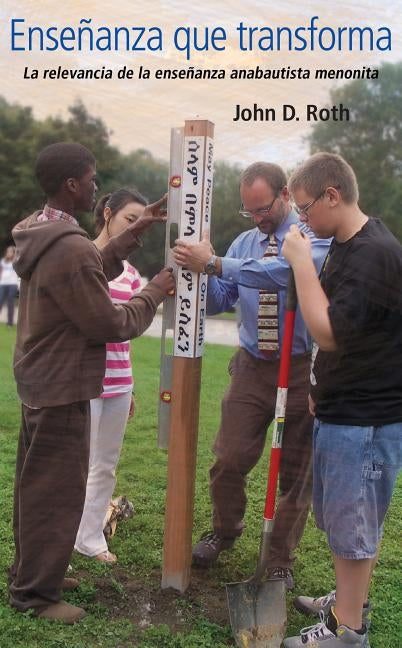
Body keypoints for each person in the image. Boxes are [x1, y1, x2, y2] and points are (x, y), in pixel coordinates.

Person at [9, 142, 175, 624]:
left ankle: (37, 573)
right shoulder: (70, 246)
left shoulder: (47, 233)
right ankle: (34, 596)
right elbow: (110, 323)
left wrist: (136, 229)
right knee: (55, 492)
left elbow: (88, 268)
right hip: (62, 386)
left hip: (44, 380)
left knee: (37, 485)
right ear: (73, 184)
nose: (97, 186)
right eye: (93, 178)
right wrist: (154, 291)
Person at [173, 162, 330, 589]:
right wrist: (192, 283)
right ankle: (224, 531)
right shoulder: (244, 241)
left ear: (284, 195)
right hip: (251, 366)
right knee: (228, 458)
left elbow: (280, 275)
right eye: (249, 211)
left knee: (296, 471)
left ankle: (280, 558)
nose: (258, 218)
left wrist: (217, 263)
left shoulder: (309, 236)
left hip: (299, 368)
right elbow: (224, 294)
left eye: (262, 208)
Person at [281, 152, 402, 647]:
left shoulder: (373, 252)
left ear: (333, 195)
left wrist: (298, 260)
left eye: (305, 210)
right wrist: (318, 388)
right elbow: (347, 336)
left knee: (353, 525)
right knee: (345, 518)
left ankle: (347, 631)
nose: (302, 222)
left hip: (365, 419)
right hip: (342, 406)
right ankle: (351, 600)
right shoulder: (346, 243)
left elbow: (328, 331)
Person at [75, 189, 147, 564]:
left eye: (140, 224)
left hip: (119, 386)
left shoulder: (132, 276)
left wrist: (130, 389)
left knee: (104, 465)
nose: (135, 230)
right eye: (129, 220)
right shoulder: (81, 259)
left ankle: (90, 539)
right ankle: (61, 539)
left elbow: (127, 338)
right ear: (108, 214)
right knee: (75, 465)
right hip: (83, 384)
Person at [0, 245, 20, 325]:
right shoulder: (2, 261)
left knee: (10, 302)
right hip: (3, 284)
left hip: (12, 284)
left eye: (11, 252)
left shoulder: (16, 262)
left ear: (14, 253)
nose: (9, 253)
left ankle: (10, 322)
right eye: (8, 252)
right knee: (0, 301)